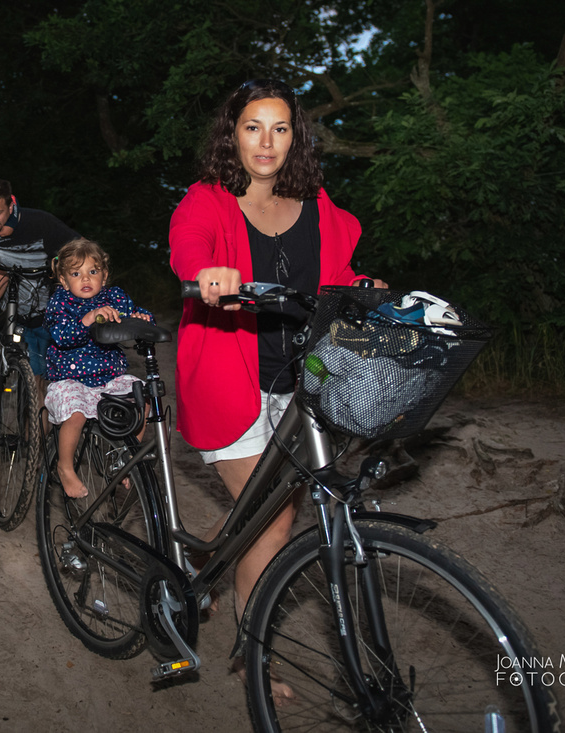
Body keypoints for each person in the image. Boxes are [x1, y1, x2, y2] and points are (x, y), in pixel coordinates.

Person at [168, 79, 387, 685]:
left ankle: (204, 556)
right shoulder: (207, 201)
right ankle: (249, 657)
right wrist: (205, 272)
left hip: (301, 384)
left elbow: (337, 274)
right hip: (226, 377)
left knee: (262, 509)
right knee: (273, 518)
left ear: (296, 137)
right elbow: (190, 244)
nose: (267, 142)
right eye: (253, 127)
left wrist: (363, 287)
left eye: (281, 128)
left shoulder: (318, 207)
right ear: (231, 134)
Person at [44, 238, 153, 499]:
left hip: (108, 377)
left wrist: (142, 319)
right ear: (63, 280)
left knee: (143, 398)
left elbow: (135, 313)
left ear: (104, 276)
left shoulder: (113, 297)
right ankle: (65, 466)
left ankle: (123, 461)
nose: (85, 278)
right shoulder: (61, 302)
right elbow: (61, 336)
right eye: (76, 273)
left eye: (92, 272)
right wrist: (87, 319)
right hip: (71, 380)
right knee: (76, 414)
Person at [0, 178, 81, 378]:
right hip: (13, 316)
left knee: (59, 377)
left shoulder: (40, 222)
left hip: (50, 314)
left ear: (10, 205)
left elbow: (82, 249)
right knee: (32, 376)